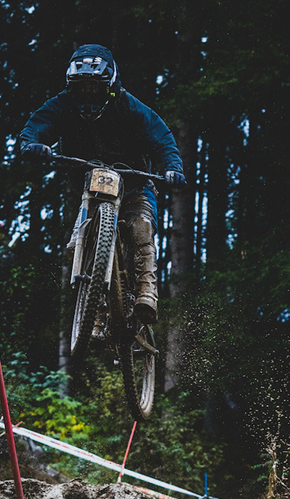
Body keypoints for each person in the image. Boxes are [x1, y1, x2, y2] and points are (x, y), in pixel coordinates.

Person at [18, 44, 185, 324]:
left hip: (135, 184)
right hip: (91, 188)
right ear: (71, 87)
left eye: (95, 88)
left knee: (142, 229)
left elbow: (162, 139)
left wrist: (172, 168)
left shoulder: (131, 108)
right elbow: (38, 123)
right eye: (81, 88)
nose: (87, 94)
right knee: (74, 247)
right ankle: (93, 311)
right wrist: (32, 144)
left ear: (110, 85)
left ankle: (147, 292)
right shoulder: (63, 105)